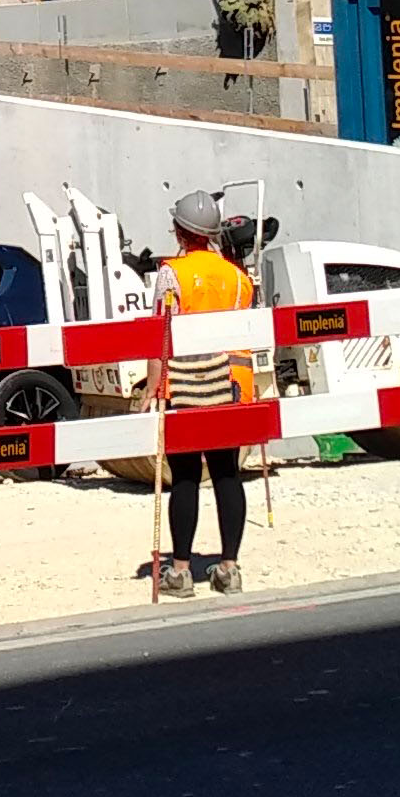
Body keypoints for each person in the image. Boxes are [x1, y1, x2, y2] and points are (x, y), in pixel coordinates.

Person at [152, 191, 252, 599]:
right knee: (228, 472)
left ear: (179, 230)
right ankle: (229, 568)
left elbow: (160, 331)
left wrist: (156, 384)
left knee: (187, 475)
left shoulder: (170, 274)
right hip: (231, 382)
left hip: (188, 382)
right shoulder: (237, 277)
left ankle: (179, 572)